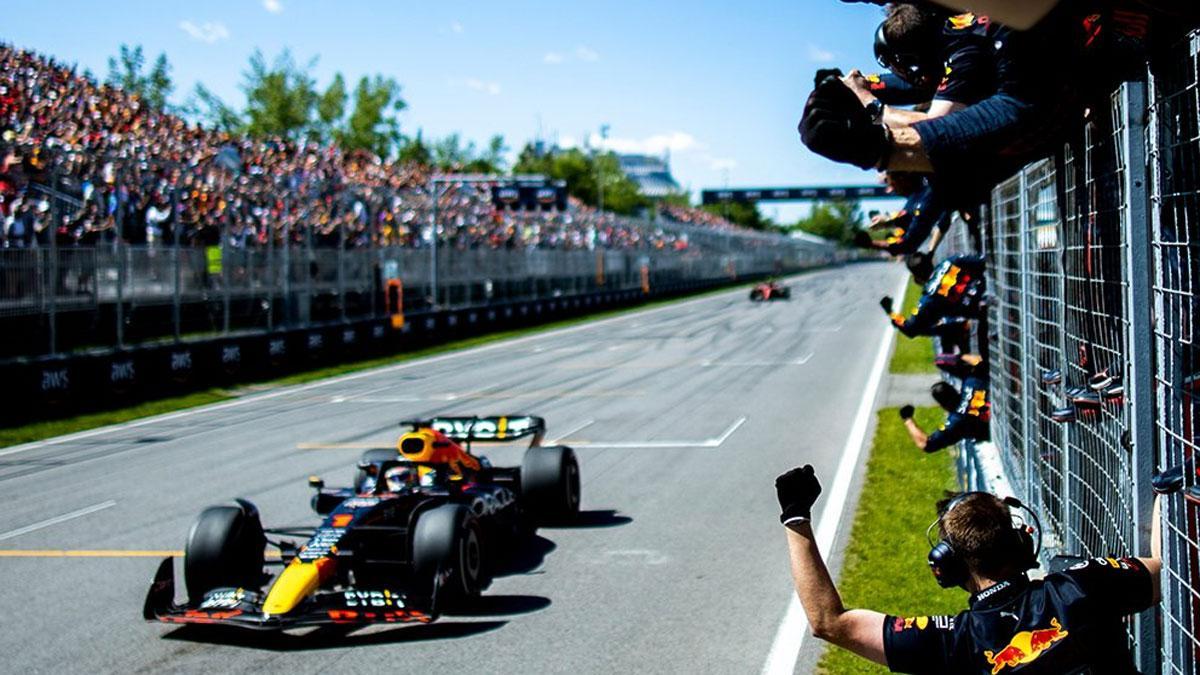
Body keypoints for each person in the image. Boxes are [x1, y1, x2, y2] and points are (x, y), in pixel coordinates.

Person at [774, 466, 1161, 673]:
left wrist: (796, 518)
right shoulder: (1083, 584)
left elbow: (828, 622)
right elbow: (1163, 568)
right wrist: (1163, 489)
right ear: (1025, 544)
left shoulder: (952, 641)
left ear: (946, 566)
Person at [880, 254, 986, 338]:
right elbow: (982, 261)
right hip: (989, 290)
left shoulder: (928, 299)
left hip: (982, 312)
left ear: (916, 278)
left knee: (927, 327)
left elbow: (910, 329)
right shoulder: (952, 261)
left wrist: (890, 312)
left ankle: (961, 329)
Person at [853, 172, 952, 256]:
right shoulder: (918, 193)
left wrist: (871, 244)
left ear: (901, 178)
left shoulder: (923, 202)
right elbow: (908, 217)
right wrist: (888, 221)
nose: (889, 190)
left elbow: (907, 245)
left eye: (889, 183)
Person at [899, 372, 990, 452]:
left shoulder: (956, 422)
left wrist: (907, 419)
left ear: (942, 405)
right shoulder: (972, 382)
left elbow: (926, 445)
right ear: (954, 390)